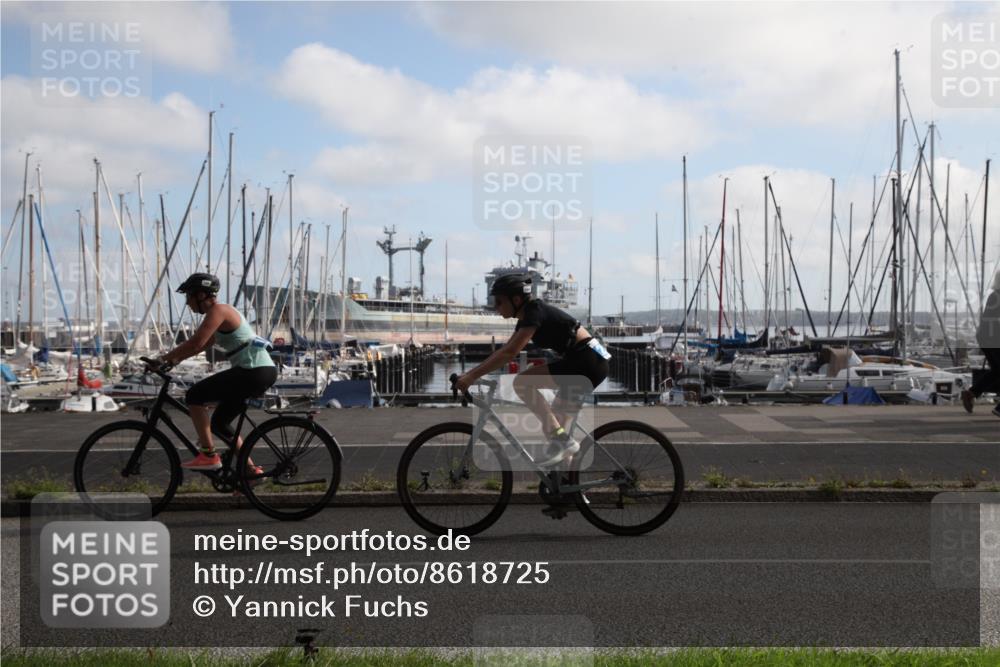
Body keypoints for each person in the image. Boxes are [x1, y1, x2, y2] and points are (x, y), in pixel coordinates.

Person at [455, 273, 611, 466]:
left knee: (522, 383)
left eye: (499, 301)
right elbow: (505, 350)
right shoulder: (527, 318)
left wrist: (471, 376)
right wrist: (471, 374)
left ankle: (562, 441)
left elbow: (509, 353)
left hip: (586, 360)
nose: (496, 307)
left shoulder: (534, 311)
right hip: (588, 361)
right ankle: (568, 485)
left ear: (517, 299)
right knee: (554, 431)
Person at [155, 273, 278, 469]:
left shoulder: (219, 311)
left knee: (194, 395)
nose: (187, 302)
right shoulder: (222, 314)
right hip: (258, 371)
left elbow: (196, 343)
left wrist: (161, 359)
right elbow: (203, 346)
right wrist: (174, 360)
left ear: (202, 295)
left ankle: (209, 455)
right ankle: (251, 471)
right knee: (220, 425)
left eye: (189, 296)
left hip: (253, 371)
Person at [962, 269, 1000, 418]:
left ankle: (971, 393)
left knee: (997, 371)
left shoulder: (995, 296)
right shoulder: (996, 297)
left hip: (988, 339)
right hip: (992, 339)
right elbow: (992, 320)